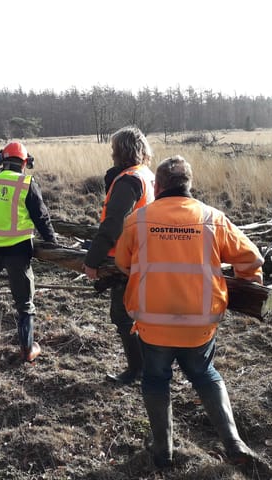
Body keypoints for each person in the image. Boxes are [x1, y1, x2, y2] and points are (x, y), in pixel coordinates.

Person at [114, 155, 264, 468]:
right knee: (205, 373)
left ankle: (162, 450)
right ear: (189, 185)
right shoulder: (213, 217)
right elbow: (250, 259)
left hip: (152, 323)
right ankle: (233, 442)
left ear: (158, 186)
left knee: (155, 379)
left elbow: (122, 264)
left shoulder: (138, 219)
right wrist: (246, 290)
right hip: (201, 324)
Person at [0, 141, 57, 362]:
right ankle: (27, 349)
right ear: (26, 162)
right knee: (24, 302)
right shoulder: (27, 183)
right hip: (17, 248)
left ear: (1, 160)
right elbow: (41, 216)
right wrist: (52, 241)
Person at [82, 126, 155, 385]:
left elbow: (113, 224)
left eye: (114, 149)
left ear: (121, 151)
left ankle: (138, 370)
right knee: (138, 314)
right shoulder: (145, 174)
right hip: (144, 252)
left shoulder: (128, 181)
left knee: (123, 316)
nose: (111, 153)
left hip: (126, 257)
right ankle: (147, 367)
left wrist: (91, 261)